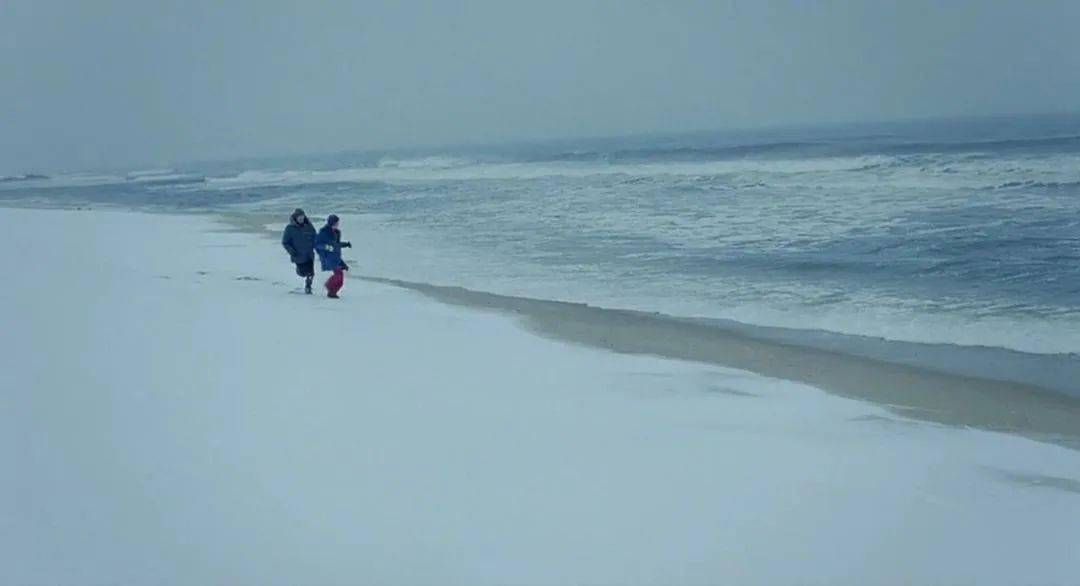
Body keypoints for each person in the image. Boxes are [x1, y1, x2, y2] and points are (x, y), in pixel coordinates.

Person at [315, 214, 352, 298]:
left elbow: (336, 244)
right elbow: (317, 244)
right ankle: (329, 287)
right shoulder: (323, 232)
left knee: (341, 277)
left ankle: (332, 292)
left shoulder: (337, 233)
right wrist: (327, 247)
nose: (337, 224)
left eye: (337, 223)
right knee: (338, 275)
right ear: (331, 223)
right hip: (327, 257)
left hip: (336, 256)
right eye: (335, 223)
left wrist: (345, 244)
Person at [281, 208, 317, 294]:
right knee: (303, 273)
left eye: (302, 217)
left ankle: (308, 287)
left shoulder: (309, 226)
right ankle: (299, 271)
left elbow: (315, 237)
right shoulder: (290, 228)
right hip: (298, 255)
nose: (301, 219)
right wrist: (291, 251)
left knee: (311, 273)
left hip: (309, 254)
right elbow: (285, 242)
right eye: (299, 217)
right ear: (295, 218)